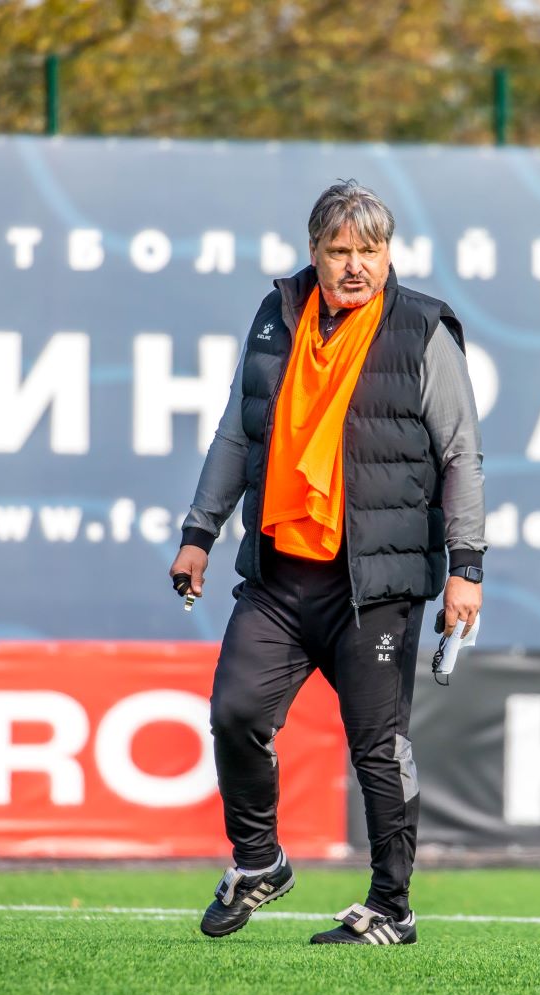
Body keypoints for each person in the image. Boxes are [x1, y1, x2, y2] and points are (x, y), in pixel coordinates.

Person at [171, 180, 486, 946]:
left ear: (388, 253)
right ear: (313, 251)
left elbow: (461, 453)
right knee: (235, 713)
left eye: (369, 250)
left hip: (372, 586)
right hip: (279, 575)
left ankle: (391, 906)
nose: (354, 265)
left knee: (379, 747)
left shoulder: (423, 328)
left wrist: (467, 567)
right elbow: (237, 432)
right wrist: (199, 531)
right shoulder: (276, 315)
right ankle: (258, 860)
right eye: (339, 250)